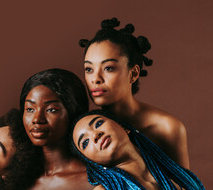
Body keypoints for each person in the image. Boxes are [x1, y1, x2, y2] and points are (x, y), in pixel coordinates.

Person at [71, 110, 212, 190]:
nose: (95, 135)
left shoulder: (179, 176)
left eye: (98, 123)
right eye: (85, 142)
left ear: (124, 128)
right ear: (92, 162)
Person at [79, 18, 189, 168]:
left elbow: (187, 189)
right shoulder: (85, 133)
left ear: (133, 73)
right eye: (89, 69)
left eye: (108, 68)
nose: (95, 79)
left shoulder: (167, 128)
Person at [3, 68, 95, 190]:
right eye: (30, 109)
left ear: (73, 113)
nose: (37, 119)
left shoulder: (92, 183)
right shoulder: (15, 182)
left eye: (51, 110)